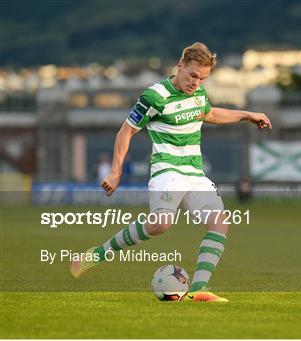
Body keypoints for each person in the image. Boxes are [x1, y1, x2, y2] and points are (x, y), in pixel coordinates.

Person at [70, 42, 271, 302]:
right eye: (193, 76)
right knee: (161, 225)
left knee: (220, 222)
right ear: (180, 66)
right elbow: (126, 131)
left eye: (202, 78)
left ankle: (198, 290)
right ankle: (97, 254)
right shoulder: (154, 96)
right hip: (167, 171)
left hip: (195, 174)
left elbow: (209, 114)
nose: (196, 82)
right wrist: (116, 170)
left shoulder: (198, 95)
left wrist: (247, 115)